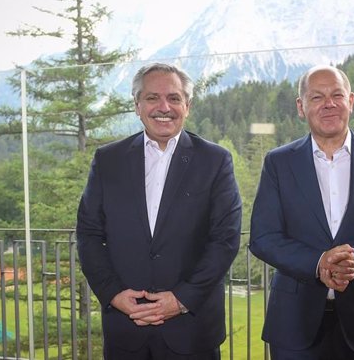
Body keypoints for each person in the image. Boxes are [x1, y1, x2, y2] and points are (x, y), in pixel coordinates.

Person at [249, 65, 354, 360]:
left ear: (350, 101)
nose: (328, 104)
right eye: (317, 97)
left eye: (336, 95)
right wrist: (319, 263)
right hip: (293, 323)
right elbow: (264, 238)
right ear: (301, 107)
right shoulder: (278, 163)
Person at [76, 62, 242, 360]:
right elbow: (88, 234)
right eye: (152, 98)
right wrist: (113, 294)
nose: (164, 107)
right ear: (137, 105)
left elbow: (225, 240)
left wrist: (180, 300)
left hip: (192, 331)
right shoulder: (107, 160)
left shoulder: (215, 161)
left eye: (174, 98)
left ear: (187, 106)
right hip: (126, 329)